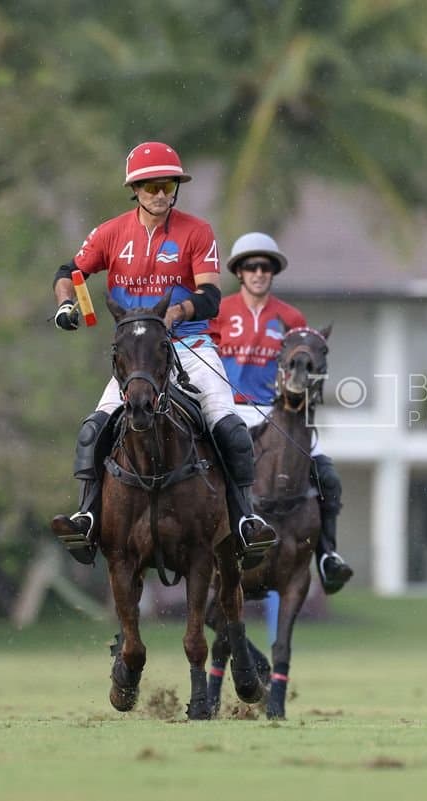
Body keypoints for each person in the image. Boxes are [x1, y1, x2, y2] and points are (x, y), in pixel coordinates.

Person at [49, 141, 277, 567]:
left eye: (168, 184)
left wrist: (179, 310)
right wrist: (67, 304)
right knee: (93, 428)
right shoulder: (111, 232)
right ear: (135, 189)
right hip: (136, 356)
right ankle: (87, 518)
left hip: (188, 346)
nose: (160, 193)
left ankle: (246, 520)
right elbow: (70, 272)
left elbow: (210, 293)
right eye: (151, 185)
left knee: (228, 426)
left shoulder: (197, 231)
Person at [209, 232, 354, 595]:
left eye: (265, 267)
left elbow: (305, 372)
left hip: (278, 416)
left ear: (273, 273)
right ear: (239, 272)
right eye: (251, 266)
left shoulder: (291, 317)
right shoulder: (220, 311)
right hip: (230, 411)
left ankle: (327, 557)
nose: (259, 273)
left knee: (327, 477)